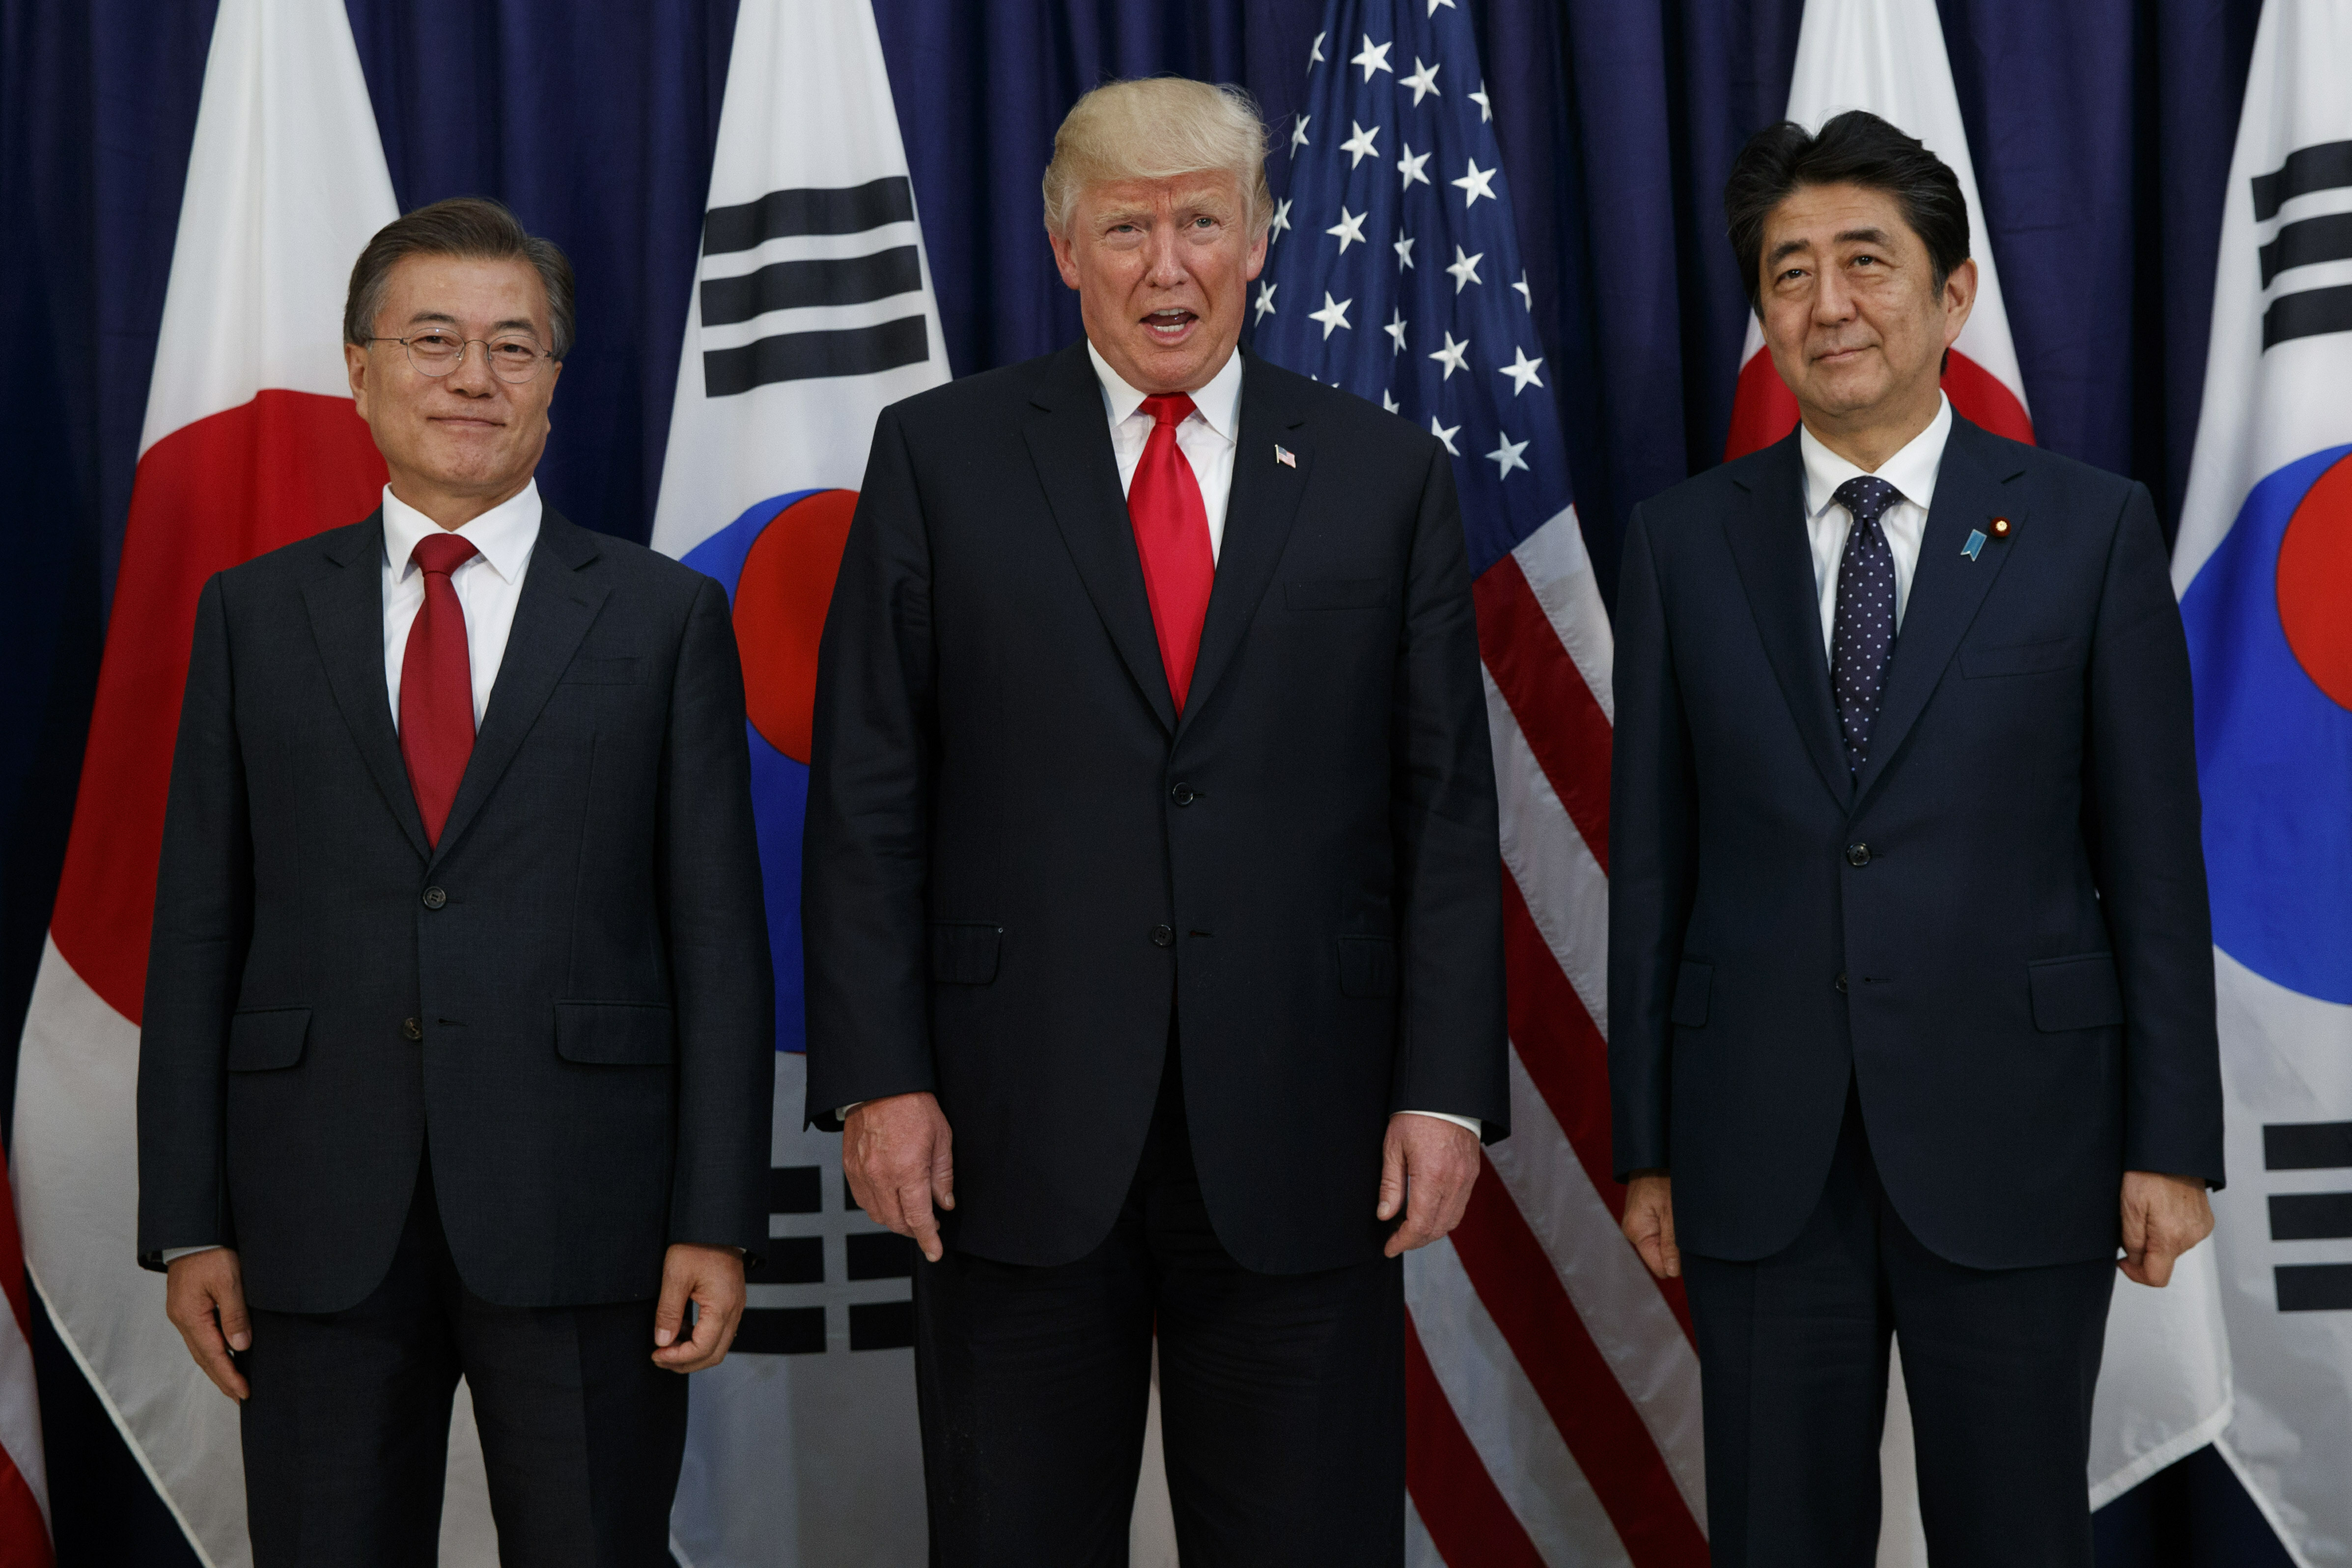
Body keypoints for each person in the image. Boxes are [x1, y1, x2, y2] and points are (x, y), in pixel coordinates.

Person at [802, 78, 1507, 1565]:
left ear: (1258, 239)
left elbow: (1443, 809)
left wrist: (1445, 1092)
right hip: (1006, 1133)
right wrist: (879, 1078)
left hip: (1309, 1132)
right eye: (1125, 228)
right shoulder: (940, 456)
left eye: (1201, 222)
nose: (1166, 264)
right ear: (1066, 250)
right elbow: (869, 794)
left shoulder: (1386, 474)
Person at [1609, 109, 2225, 1567]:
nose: (1827, 304)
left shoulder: (2088, 529)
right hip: (1759, 1149)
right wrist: (1648, 1145)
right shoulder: (1683, 545)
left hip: (2024, 1138)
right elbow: (1653, 866)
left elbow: (2153, 863)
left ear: (1953, 294)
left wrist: (2171, 1141)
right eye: (1789, 272)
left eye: (1866, 262)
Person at [138, 196, 774, 1566]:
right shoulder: (253, 615)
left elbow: (719, 940)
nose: (474, 377)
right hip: (310, 1214)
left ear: (553, 378)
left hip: (589, 1209)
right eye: (433, 341)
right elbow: (196, 930)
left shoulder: (664, 618)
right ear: (359, 369)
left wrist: (716, 1219)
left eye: (512, 346)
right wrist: (187, 1222)